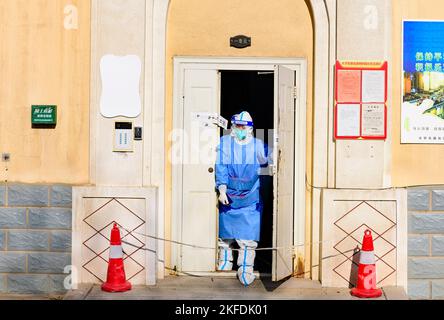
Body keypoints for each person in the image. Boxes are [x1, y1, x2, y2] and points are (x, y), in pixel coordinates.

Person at [215, 111, 269, 286]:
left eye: (243, 127)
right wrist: (222, 189)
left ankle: (246, 267)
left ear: (250, 129)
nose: (239, 130)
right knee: (226, 235)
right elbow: (221, 166)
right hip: (229, 196)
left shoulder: (259, 146)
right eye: (237, 126)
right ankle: (224, 263)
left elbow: (268, 166)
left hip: (250, 197)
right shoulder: (225, 143)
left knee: (247, 236)